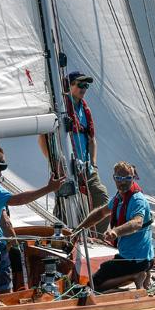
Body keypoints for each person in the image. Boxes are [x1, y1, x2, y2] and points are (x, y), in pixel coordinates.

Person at [0, 144, 65, 293]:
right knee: (3, 291)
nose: (0, 175)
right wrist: (48, 189)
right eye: (0, 169)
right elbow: (13, 211)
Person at [38, 71, 110, 231]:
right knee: (64, 203)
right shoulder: (59, 108)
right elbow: (43, 137)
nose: (84, 88)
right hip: (65, 167)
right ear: (69, 86)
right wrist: (54, 162)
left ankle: (98, 236)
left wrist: (94, 164)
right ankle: (63, 236)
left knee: (102, 197)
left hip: (86, 167)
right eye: (80, 84)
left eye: (86, 85)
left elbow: (92, 140)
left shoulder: (85, 110)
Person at [75, 161, 154, 292]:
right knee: (106, 268)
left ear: (133, 178)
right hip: (133, 258)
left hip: (135, 261)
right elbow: (101, 213)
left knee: (93, 286)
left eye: (128, 178)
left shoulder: (137, 200)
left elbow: (137, 222)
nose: (122, 182)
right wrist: (79, 229)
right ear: (114, 178)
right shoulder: (119, 197)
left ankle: (136, 275)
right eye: (119, 178)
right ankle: (143, 274)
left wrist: (115, 232)